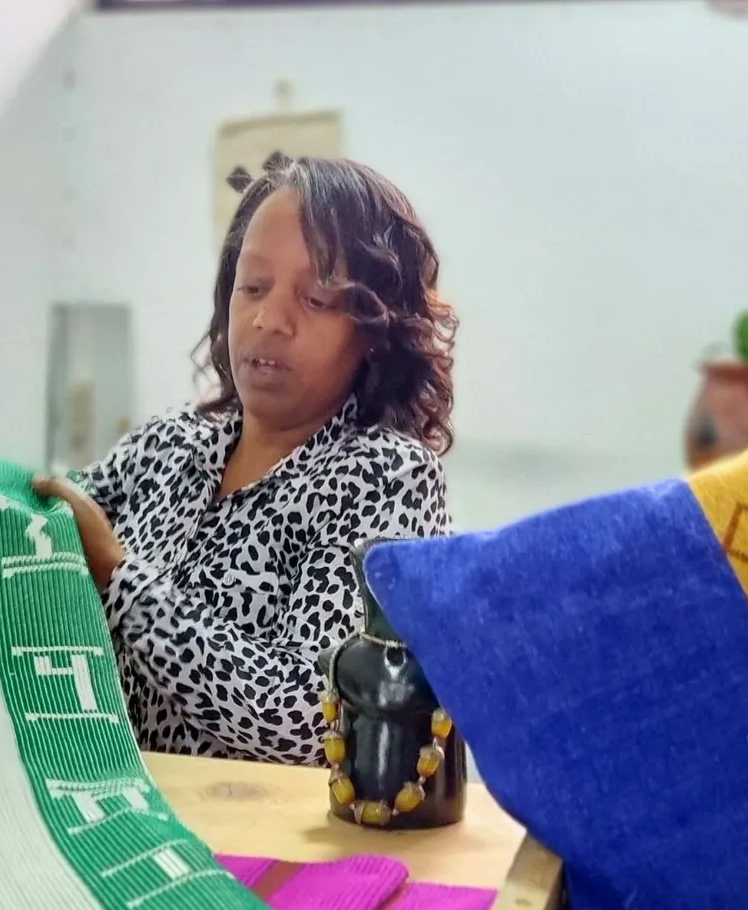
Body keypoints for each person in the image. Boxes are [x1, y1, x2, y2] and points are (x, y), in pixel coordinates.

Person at [33, 156, 456, 765]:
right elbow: (41, 524)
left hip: (264, 844)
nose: (268, 319)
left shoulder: (386, 476)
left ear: (374, 331)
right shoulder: (169, 444)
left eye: (314, 298)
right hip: (117, 816)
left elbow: (306, 712)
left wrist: (118, 577)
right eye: (252, 287)